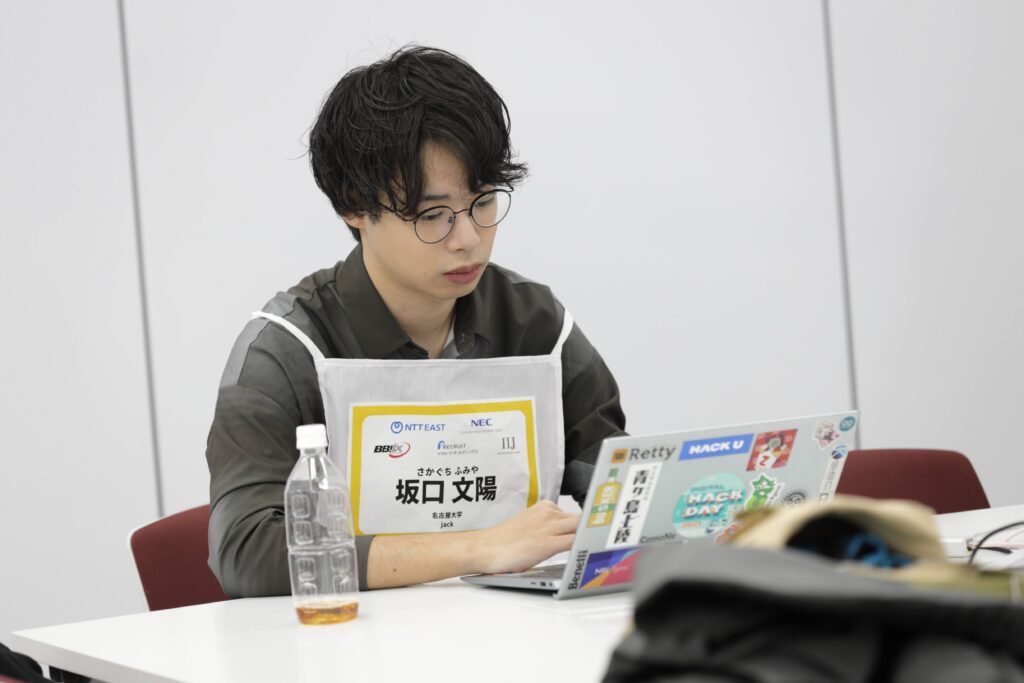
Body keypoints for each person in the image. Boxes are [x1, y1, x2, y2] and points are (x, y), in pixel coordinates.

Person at [206, 45, 626, 596]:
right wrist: (479, 548)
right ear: (354, 207)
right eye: (432, 215)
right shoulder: (288, 351)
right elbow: (246, 552)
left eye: (483, 202)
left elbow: (621, 494)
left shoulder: (537, 326)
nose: (468, 238)